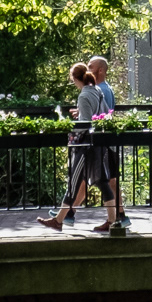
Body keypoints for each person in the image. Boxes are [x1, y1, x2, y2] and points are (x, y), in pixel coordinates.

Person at [38, 64, 104, 230]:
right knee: (88, 183)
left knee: (74, 183)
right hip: (96, 142)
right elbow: (98, 116)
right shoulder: (97, 90)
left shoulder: (83, 95)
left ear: (75, 79)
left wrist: (70, 126)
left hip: (84, 145)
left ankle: (59, 221)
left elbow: (86, 123)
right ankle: (63, 218)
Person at [87, 55, 129, 231]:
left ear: (101, 70)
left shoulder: (100, 90)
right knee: (110, 180)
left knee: (106, 180)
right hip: (108, 142)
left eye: (91, 66)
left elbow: (101, 116)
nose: (88, 69)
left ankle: (116, 217)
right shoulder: (106, 89)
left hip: (104, 143)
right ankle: (120, 215)